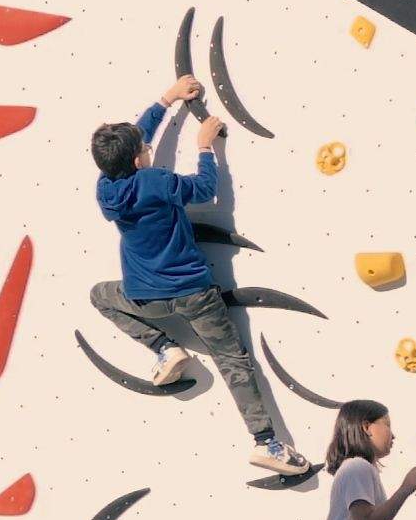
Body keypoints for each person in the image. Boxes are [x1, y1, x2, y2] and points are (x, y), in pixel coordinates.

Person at [89, 74, 307, 476]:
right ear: (140, 159)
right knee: (233, 360)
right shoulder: (156, 182)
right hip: (195, 294)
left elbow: (135, 141)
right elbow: (206, 190)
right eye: (144, 148)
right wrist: (205, 147)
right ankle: (267, 443)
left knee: (100, 295)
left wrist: (167, 99)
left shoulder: (105, 190)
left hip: (145, 299)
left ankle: (164, 348)